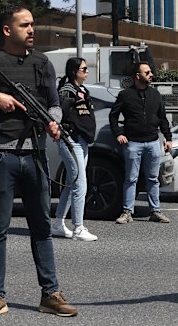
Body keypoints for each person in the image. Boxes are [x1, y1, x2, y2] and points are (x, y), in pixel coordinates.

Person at [0, 3, 77, 320]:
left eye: (33, 24)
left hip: (35, 154)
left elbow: (54, 104)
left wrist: (53, 121)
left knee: (42, 229)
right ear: (7, 30)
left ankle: (50, 294)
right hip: (0, 155)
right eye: (25, 25)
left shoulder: (43, 63)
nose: (32, 29)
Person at [109, 62, 172, 224]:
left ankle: (155, 211)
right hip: (133, 143)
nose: (151, 74)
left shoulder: (155, 95)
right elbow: (113, 116)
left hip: (153, 143)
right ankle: (127, 212)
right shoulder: (125, 95)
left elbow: (162, 118)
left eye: (151, 72)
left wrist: (168, 138)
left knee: (153, 179)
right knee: (131, 179)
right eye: (147, 72)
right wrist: (118, 134)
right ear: (138, 76)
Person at [50, 57, 98, 242]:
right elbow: (59, 116)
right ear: (74, 71)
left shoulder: (82, 90)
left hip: (82, 141)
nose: (87, 71)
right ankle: (78, 227)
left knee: (72, 183)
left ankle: (58, 224)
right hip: (70, 140)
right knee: (80, 184)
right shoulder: (66, 91)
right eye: (83, 69)